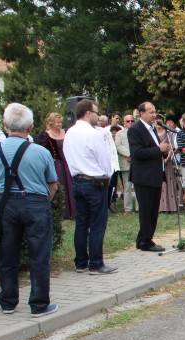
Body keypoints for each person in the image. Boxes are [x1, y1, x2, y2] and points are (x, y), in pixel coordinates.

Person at [0, 103, 59, 316]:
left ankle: (8, 301)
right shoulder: (41, 152)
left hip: (6, 205)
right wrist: (42, 202)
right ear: (30, 128)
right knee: (39, 256)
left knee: (7, 254)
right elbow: (53, 186)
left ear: (5, 125)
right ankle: (39, 304)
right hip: (36, 203)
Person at [62, 99, 117, 273]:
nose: (97, 116)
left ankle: (80, 262)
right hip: (94, 181)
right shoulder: (93, 133)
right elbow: (104, 158)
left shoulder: (69, 132)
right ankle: (96, 263)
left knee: (81, 223)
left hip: (77, 180)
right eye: (95, 112)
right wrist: (107, 173)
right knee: (97, 224)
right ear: (87, 113)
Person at [128, 101, 171, 252]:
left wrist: (163, 151)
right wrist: (158, 149)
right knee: (146, 210)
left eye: (154, 112)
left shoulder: (152, 129)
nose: (154, 115)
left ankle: (143, 239)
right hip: (143, 176)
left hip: (155, 175)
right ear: (141, 113)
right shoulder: (135, 130)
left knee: (153, 210)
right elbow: (137, 153)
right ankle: (146, 242)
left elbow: (154, 150)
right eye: (151, 112)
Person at [36, 112, 75, 218]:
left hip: (67, 162)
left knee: (70, 184)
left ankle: (72, 210)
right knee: (59, 184)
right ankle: (61, 211)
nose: (60, 124)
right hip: (56, 163)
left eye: (61, 122)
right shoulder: (46, 135)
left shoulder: (65, 133)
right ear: (52, 123)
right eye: (57, 122)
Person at [155, 115, 179, 213]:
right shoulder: (153, 133)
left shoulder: (168, 133)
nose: (158, 122)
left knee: (168, 182)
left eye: (160, 120)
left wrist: (166, 159)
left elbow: (171, 148)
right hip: (155, 160)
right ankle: (160, 207)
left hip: (166, 161)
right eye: (156, 120)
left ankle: (170, 206)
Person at [114, 114, 137, 213]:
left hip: (138, 162)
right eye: (128, 121)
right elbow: (118, 146)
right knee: (127, 187)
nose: (130, 123)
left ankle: (139, 208)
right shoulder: (119, 133)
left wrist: (136, 155)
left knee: (138, 186)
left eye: (132, 121)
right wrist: (130, 154)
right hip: (126, 162)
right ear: (124, 123)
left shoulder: (138, 132)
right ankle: (128, 208)